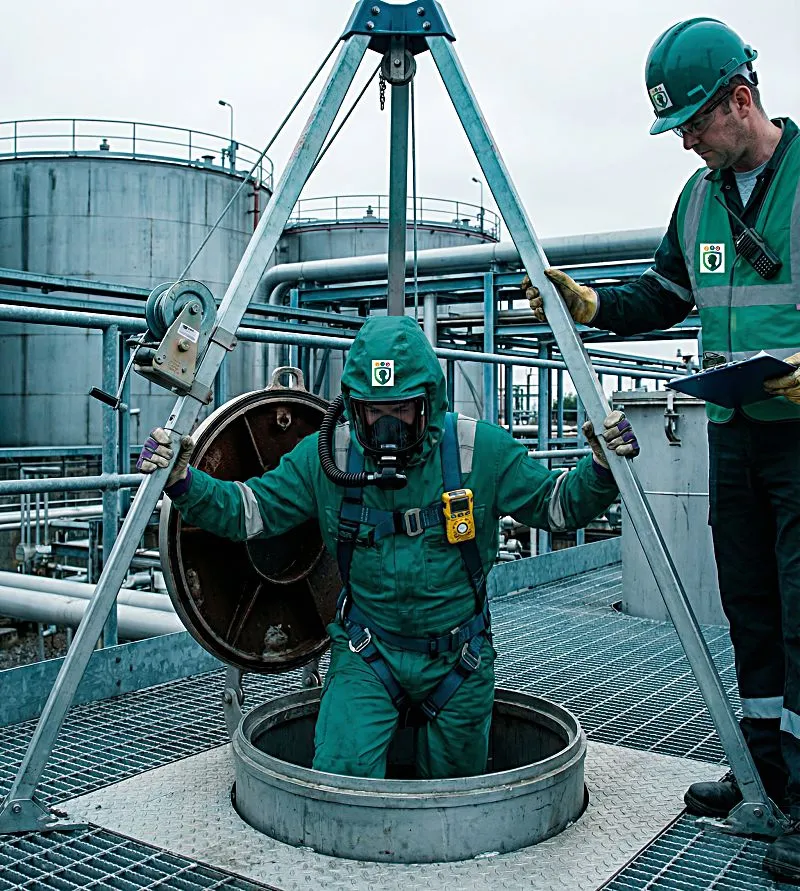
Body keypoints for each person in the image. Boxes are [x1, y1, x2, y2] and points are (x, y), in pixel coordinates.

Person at [523, 17, 800, 882]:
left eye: (693, 122)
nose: (685, 141)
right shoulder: (698, 200)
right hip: (734, 434)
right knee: (750, 605)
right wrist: (592, 305)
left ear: (741, 99)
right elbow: (664, 294)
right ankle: (764, 770)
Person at [138, 315, 639, 781]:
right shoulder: (328, 457)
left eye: (401, 410)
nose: (388, 427)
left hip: (459, 659)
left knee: (459, 800)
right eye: (374, 412)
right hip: (367, 653)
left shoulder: (479, 451)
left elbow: (555, 506)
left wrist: (600, 470)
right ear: (353, 406)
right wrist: (183, 481)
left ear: (429, 401)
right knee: (339, 779)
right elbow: (250, 511)